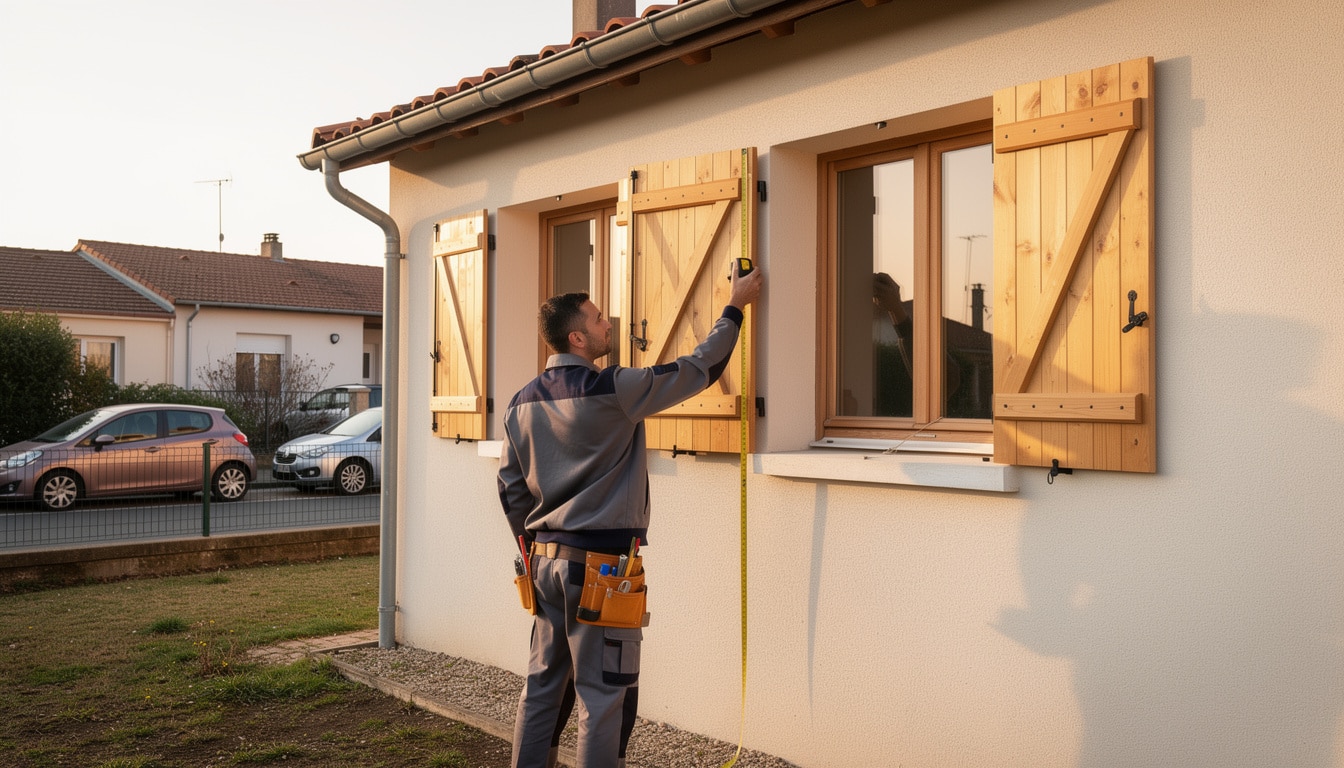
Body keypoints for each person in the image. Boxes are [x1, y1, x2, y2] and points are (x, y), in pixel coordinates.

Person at [498, 260, 764, 768]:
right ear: (577, 338)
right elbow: (699, 369)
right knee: (603, 700)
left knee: (542, 690)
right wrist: (735, 305)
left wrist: (531, 550)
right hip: (601, 571)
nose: (609, 324)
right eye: (599, 319)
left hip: (543, 565)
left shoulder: (518, 404)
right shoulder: (612, 389)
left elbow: (511, 490)